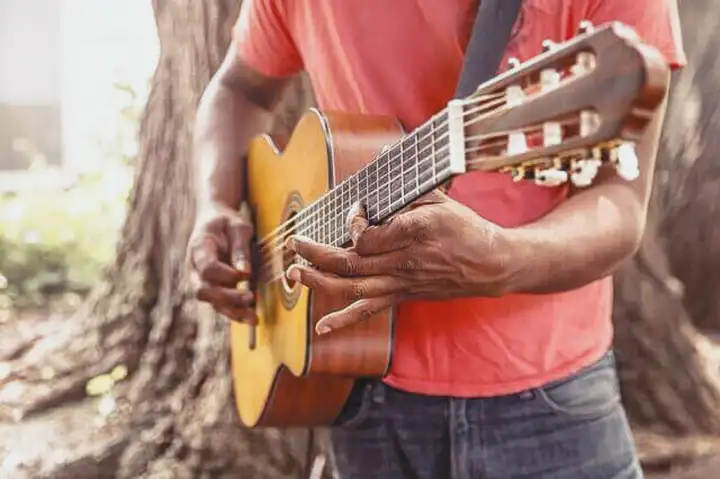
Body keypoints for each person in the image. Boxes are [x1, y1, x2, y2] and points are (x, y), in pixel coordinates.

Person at [186, 1, 685, 477]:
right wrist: (215, 203)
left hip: (547, 400)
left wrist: (503, 259)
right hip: (354, 385)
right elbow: (240, 89)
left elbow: (619, 202)